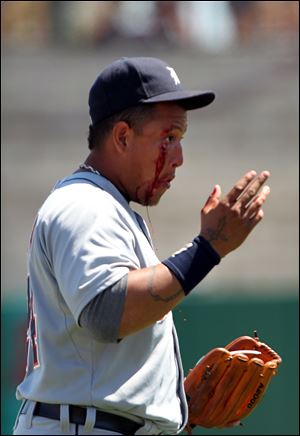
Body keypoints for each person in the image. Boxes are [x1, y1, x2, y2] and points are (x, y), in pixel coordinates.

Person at [13, 56, 270, 436]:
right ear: (122, 137)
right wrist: (208, 249)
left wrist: (169, 405)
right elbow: (107, 310)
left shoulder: (106, 206)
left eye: (181, 139)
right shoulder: (85, 205)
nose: (179, 158)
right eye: (168, 138)